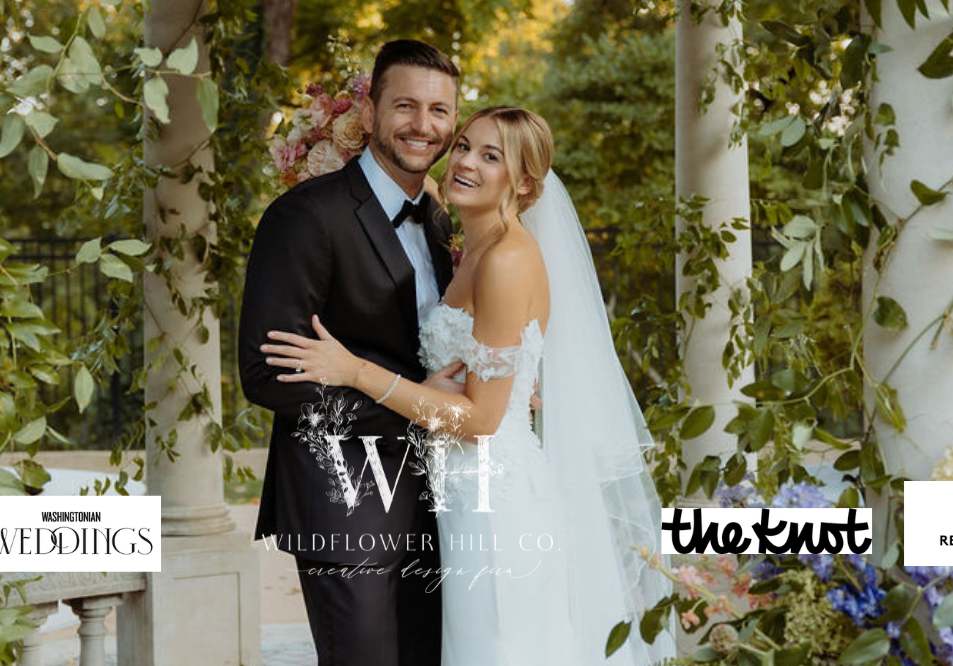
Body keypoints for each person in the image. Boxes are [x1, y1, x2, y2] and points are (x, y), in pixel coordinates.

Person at [262, 106, 674, 665]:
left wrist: (355, 370)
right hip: (455, 502)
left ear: (525, 182)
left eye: (490, 156)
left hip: (496, 509)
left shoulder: (505, 260)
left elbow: (479, 421)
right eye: (462, 146)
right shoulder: (463, 242)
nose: (465, 163)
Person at [238, 39, 460, 666]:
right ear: (369, 114)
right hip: (346, 502)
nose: (424, 125)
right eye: (406, 106)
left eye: (440, 110)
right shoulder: (305, 217)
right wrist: (413, 403)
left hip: (440, 502)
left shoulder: (442, 224)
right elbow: (266, 376)